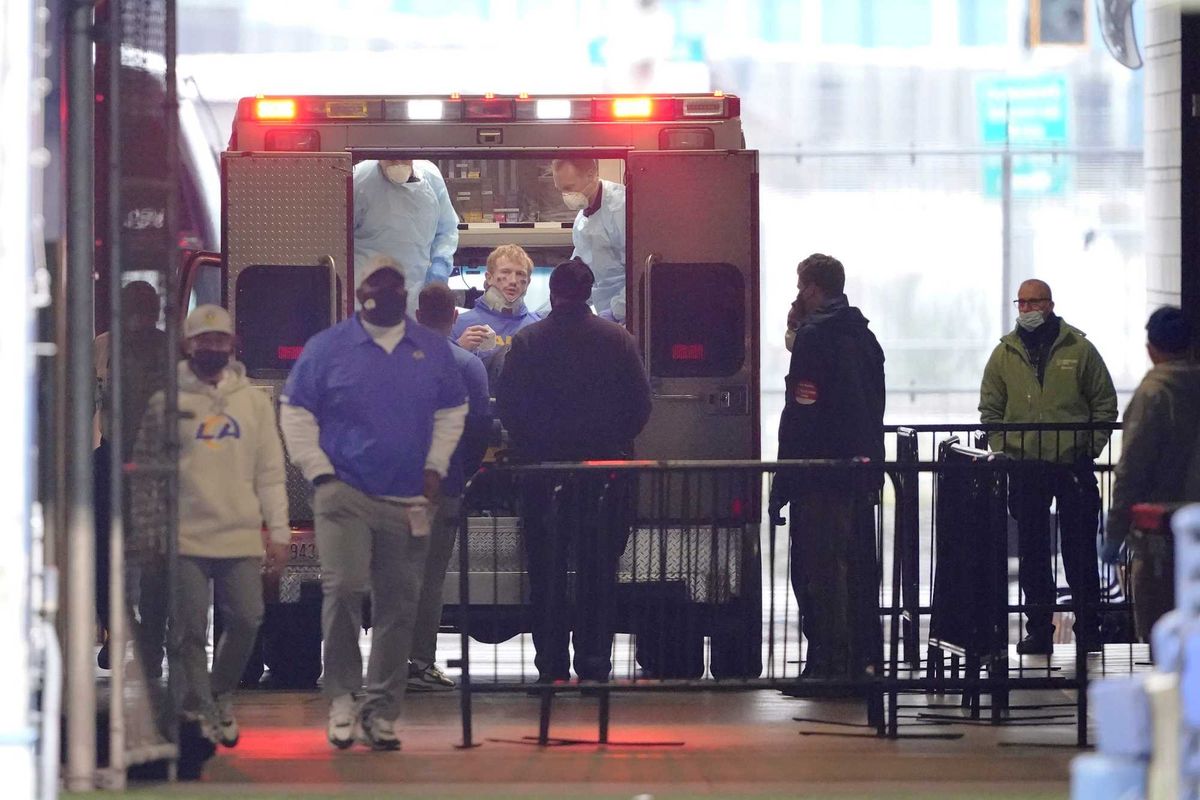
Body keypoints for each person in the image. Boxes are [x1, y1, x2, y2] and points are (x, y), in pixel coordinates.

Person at [279, 257, 467, 751]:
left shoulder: (430, 348)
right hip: (344, 492)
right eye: (373, 287)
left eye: (392, 287)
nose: (383, 295)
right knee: (342, 590)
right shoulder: (329, 348)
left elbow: (453, 409)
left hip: (408, 497)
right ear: (359, 292)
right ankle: (342, 697)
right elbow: (295, 410)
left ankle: (380, 710)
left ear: (403, 295)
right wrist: (317, 471)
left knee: (398, 605)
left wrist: (435, 465)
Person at [132, 304, 290, 747]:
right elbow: (148, 475)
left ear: (232, 346)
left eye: (220, 341)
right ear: (188, 346)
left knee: (247, 618)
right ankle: (197, 708)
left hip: (239, 534)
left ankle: (219, 694)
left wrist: (277, 532)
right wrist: (150, 535)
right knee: (186, 633)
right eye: (204, 341)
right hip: (185, 537)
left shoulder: (253, 403)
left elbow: (270, 471)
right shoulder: (167, 403)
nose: (212, 348)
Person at [496, 259, 651, 682]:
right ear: (588, 292)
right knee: (598, 574)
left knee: (546, 575)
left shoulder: (528, 342)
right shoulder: (619, 341)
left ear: (553, 293)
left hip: (543, 475)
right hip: (604, 475)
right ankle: (594, 666)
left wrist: (533, 445)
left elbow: (508, 405)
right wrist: (611, 442)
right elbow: (640, 407)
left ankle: (551, 669)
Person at [979, 278, 1118, 655]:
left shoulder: (1080, 349)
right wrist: (1004, 448)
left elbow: (1104, 403)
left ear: (1050, 304)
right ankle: (1039, 630)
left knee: (1079, 551)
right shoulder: (1004, 354)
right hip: (1025, 467)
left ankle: (1090, 628)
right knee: (1033, 553)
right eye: (1021, 303)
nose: (1027, 310)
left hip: (1072, 465)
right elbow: (990, 409)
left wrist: (1087, 448)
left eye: (1034, 302)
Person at [767, 253, 885, 681]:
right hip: (858, 472)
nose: (798, 296)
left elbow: (802, 413)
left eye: (801, 288)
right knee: (853, 571)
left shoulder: (816, 338)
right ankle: (858, 662)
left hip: (818, 475)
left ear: (814, 288)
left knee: (817, 572)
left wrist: (784, 480)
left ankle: (826, 664)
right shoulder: (865, 336)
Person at [408, 283, 492, 691]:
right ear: (455, 316)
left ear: (418, 314)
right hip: (442, 484)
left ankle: (385, 664)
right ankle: (419, 663)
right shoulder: (466, 364)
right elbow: (478, 428)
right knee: (429, 577)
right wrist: (465, 470)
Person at [1103, 307, 1200, 641]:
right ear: (1190, 346)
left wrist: (1114, 532)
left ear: (1151, 349)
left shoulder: (1152, 395)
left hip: (1159, 537)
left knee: (1162, 638)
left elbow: (1132, 470)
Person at [93, 280, 169, 673]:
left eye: (147, 310)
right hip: (111, 455)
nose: (141, 319)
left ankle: (151, 642)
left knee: (156, 557)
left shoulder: (169, 351)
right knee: (101, 553)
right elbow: (87, 400)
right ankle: (119, 628)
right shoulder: (102, 348)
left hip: (156, 463)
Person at [353, 158, 459, 313]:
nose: (397, 163)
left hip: (417, 295)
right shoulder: (360, 179)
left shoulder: (431, 176)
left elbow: (446, 229)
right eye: (391, 157)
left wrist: (440, 264)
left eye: (403, 156)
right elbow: (339, 233)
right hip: (367, 296)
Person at [551, 158, 626, 322]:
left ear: (591, 175)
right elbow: (580, 272)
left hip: (630, 310)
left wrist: (617, 311)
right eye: (560, 189)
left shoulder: (622, 208)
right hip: (606, 314)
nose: (565, 195)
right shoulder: (582, 219)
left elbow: (639, 275)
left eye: (569, 188)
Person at [452, 244, 541, 374]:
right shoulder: (458, 324)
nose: (513, 281)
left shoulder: (537, 328)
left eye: (520, 274)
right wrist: (459, 349)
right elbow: (440, 378)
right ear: (489, 278)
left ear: (528, 282)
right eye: (506, 272)